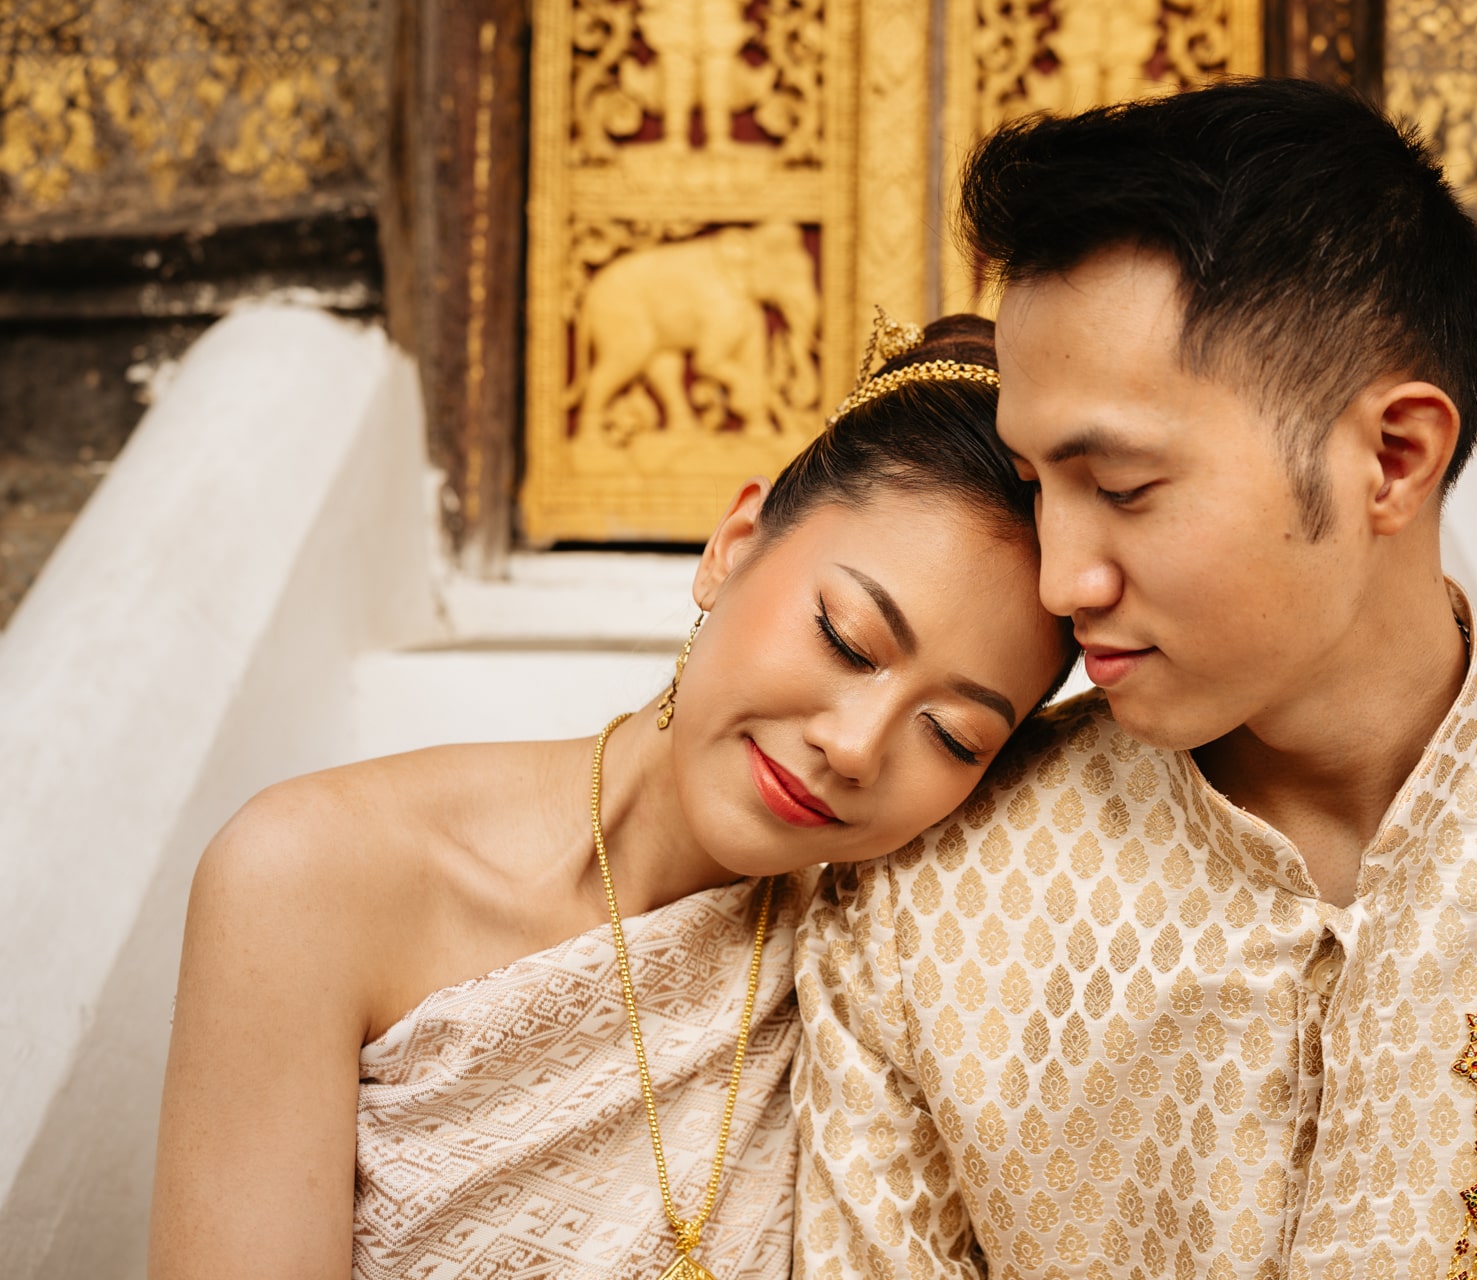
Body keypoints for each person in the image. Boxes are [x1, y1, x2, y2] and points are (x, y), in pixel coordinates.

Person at [793, 80, 1477, 1279]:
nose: (1062, 577)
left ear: (1393, 456)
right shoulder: (929, 890)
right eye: (1035, 487)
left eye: (1122, 487)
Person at [148, 314, 1074, 1280]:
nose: (854, 747)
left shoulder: (878, 975)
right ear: (733, 546)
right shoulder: (308, 879)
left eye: (952, 736)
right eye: (845, 638)